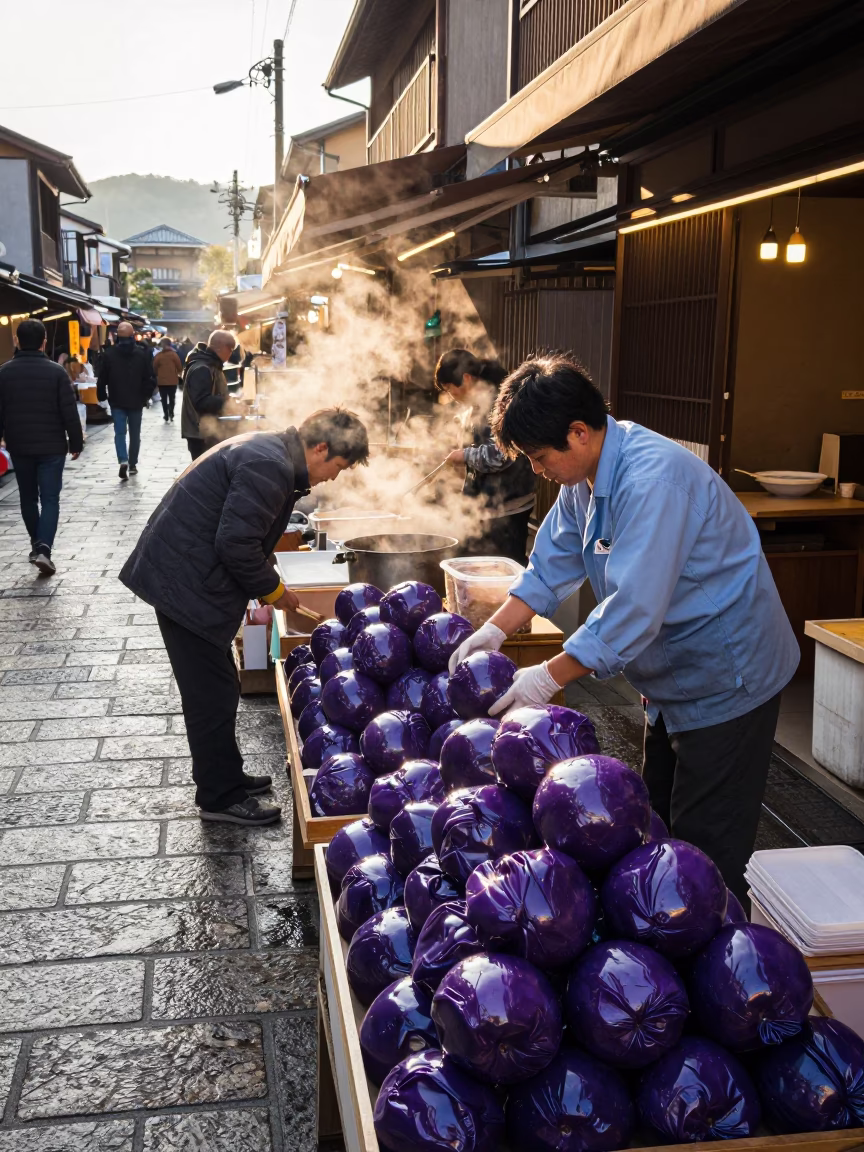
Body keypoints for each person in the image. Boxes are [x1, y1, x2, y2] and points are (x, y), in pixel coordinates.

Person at [448, 353, 799, 903]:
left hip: (728, 673)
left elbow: (633, 608)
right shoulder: (584, 476)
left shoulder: (652, 479)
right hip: (670, 676)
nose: (536, 470)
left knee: (705, 845)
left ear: (579, 432)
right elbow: (550, 565)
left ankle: (728, 963)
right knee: (655, 823)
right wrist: (493, 630)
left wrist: (545, 677)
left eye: (540, 457)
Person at [120, 408, 370, 826]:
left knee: (218, 686)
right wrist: (274, 590)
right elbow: (235, 544)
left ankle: (226, 775)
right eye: (337, 467)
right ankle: (220, 797)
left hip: (187, 575)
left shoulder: (272, 454)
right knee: (211, 696)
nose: (333, 477)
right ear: (321, 447)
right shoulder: (270, 466)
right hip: (185, 584)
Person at [434, 349, 536, 564]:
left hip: (506, 508)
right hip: (491, 505)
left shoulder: (497, 401)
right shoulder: (482, 397)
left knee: (500, 572)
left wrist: (464, 455)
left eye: (449, 389)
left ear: (466, 379)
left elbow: (501, 453)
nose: (450, 396)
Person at [0, 319, 84, 576]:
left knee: (28, 497)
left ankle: (37, 546)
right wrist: (76, 442)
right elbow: (69, 411)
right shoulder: (57, 372)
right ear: (44, 341)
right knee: (50, 498)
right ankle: (44, 549)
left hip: (19, 444)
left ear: (17, 340)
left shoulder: (4, 372)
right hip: (52, 445)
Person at [97, 321, 155, 479]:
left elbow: (102, 378)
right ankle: (133, 464)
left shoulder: (109, 354)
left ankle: (123, 459)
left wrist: (101, 395)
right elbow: (149, 377)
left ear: (117, 336)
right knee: (135, 434)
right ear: (132, 336)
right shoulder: (141, 354)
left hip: (116, 400)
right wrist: (146, 395)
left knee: (120, 432)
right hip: (136, 400)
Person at [181, 329, 243, 460]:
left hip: (205, 431)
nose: (231, 354)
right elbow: (202, 402)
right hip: (201, 434)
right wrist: (227, 402)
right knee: (205, 476)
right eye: (230, 349)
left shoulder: (211, 365)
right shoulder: (202, 368)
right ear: (221, 348)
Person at [153, 337, 182, 423]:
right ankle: (171, 413)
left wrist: (157, 374)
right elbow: (179, 367)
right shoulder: (174, 355)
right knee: (172, 398)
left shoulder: (159, 356)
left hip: (162, 382)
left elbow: (154, 367)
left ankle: (166, 414)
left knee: (164, 399)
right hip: (173, 381)